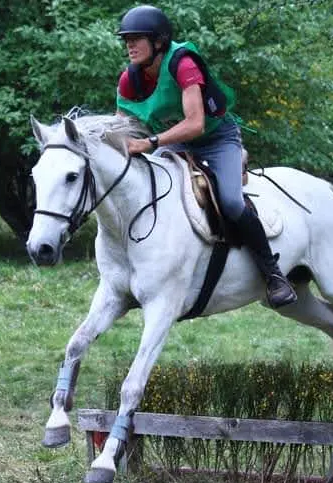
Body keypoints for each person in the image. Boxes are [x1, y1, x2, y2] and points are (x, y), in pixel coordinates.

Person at [114, 4, 297, 308]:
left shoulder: (183, 64)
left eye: (136, 38)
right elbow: (120, 125)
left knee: (231, 201)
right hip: (177, 144)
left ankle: (274, 274)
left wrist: (150, 142)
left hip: (216, 139)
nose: (129, 45)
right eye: (126, 39)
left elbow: (196, 123)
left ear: (158, 41)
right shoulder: (129, 79)